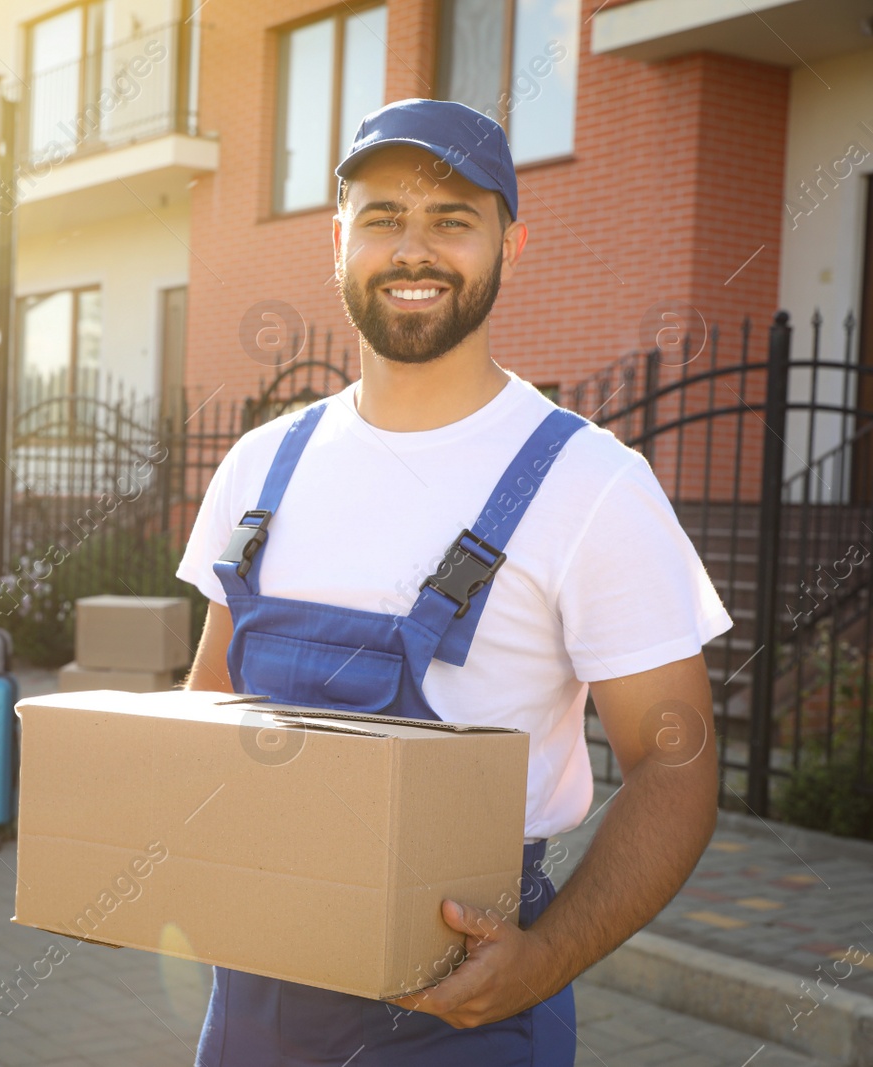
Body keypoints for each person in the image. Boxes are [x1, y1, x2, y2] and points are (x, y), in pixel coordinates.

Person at [175, 98, 733, 1066]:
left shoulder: (589, 483)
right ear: (338, 239)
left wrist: (545, 957)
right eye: (383, 216)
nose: (413, 249)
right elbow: (213, 696)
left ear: (511, 243)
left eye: (452, 219)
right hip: (256, 972)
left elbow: (673, 762)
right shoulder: (263, 464)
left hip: (463, 994)